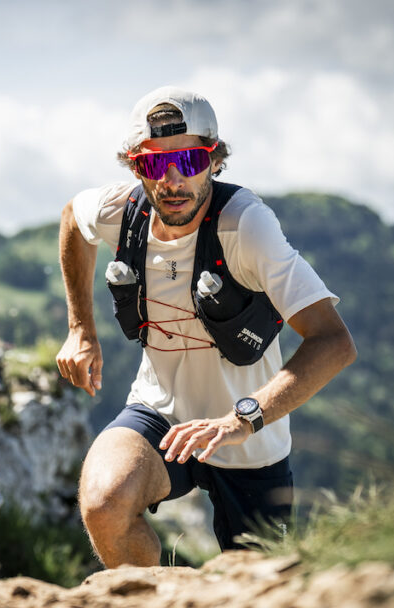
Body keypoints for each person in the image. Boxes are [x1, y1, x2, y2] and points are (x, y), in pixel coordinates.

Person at [56, 86, 356, 567]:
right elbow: (73, 217)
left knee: (264, 592)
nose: (173, 180)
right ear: (136, 168)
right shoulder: (123, 212)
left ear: (214, 160)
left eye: (191, 160)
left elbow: (334, 342)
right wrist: (80, 329)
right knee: (103, 505)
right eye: (155, 164)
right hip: (160, 415)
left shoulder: (245, 227)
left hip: (249, 437)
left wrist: (243, 418)